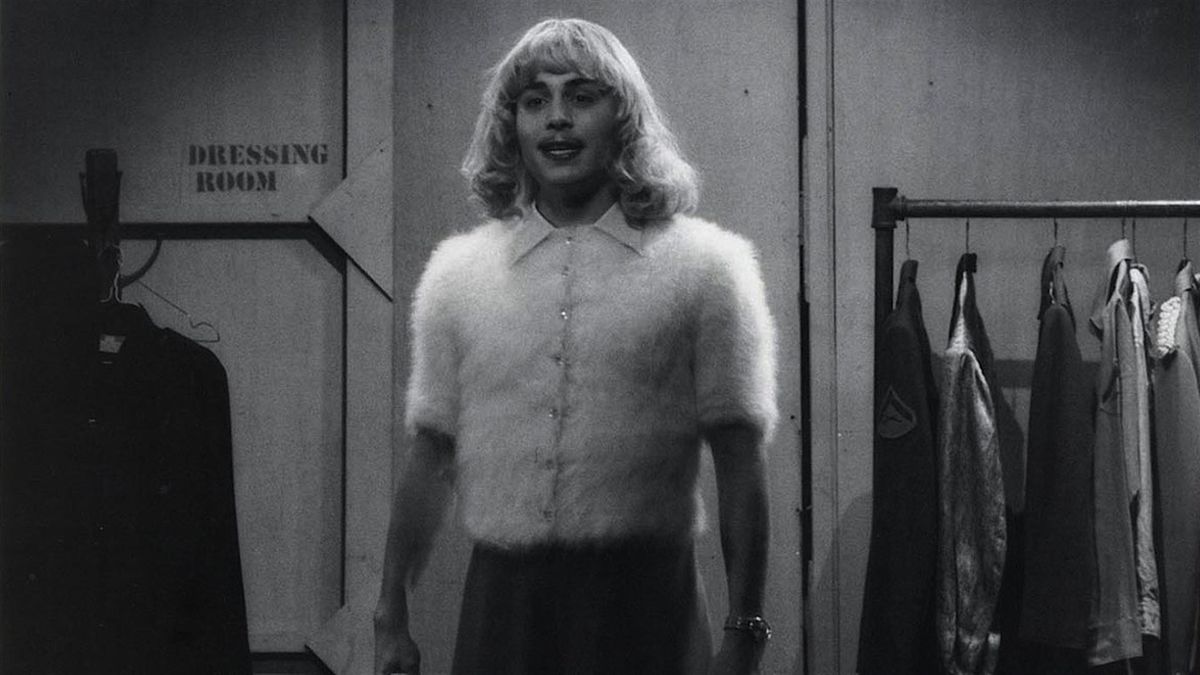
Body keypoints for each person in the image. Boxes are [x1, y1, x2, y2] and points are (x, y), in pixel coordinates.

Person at [374, 17, 778, 675]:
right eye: (535, 100)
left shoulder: (706, 267)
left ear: (624, 115)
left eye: (581, 96)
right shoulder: (458, 273)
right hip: (504, 613)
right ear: (511, 123)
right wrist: (390, 614)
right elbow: (431, 455)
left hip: (648, 607)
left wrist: (745, 631)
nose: (557, 118)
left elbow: (739, 458)